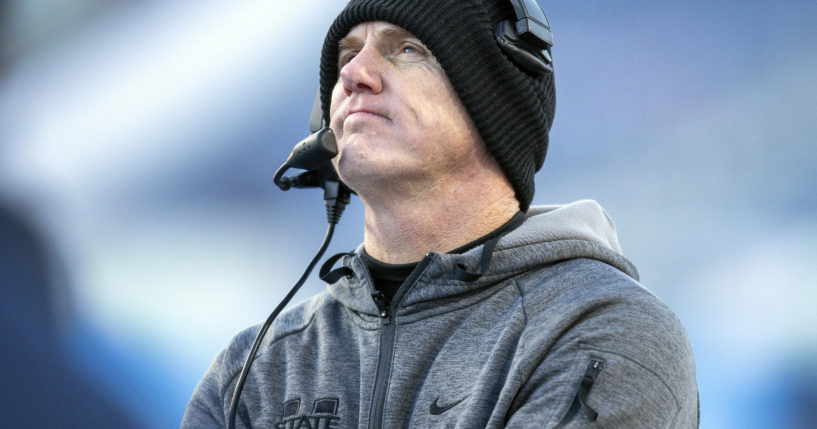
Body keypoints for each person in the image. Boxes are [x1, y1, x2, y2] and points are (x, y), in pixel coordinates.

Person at [182, 1, 698, 428]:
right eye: (347, 54)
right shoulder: (256, 367)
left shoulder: (603, 331)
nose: (354, 75)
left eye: (407, 49)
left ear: (494, 103)